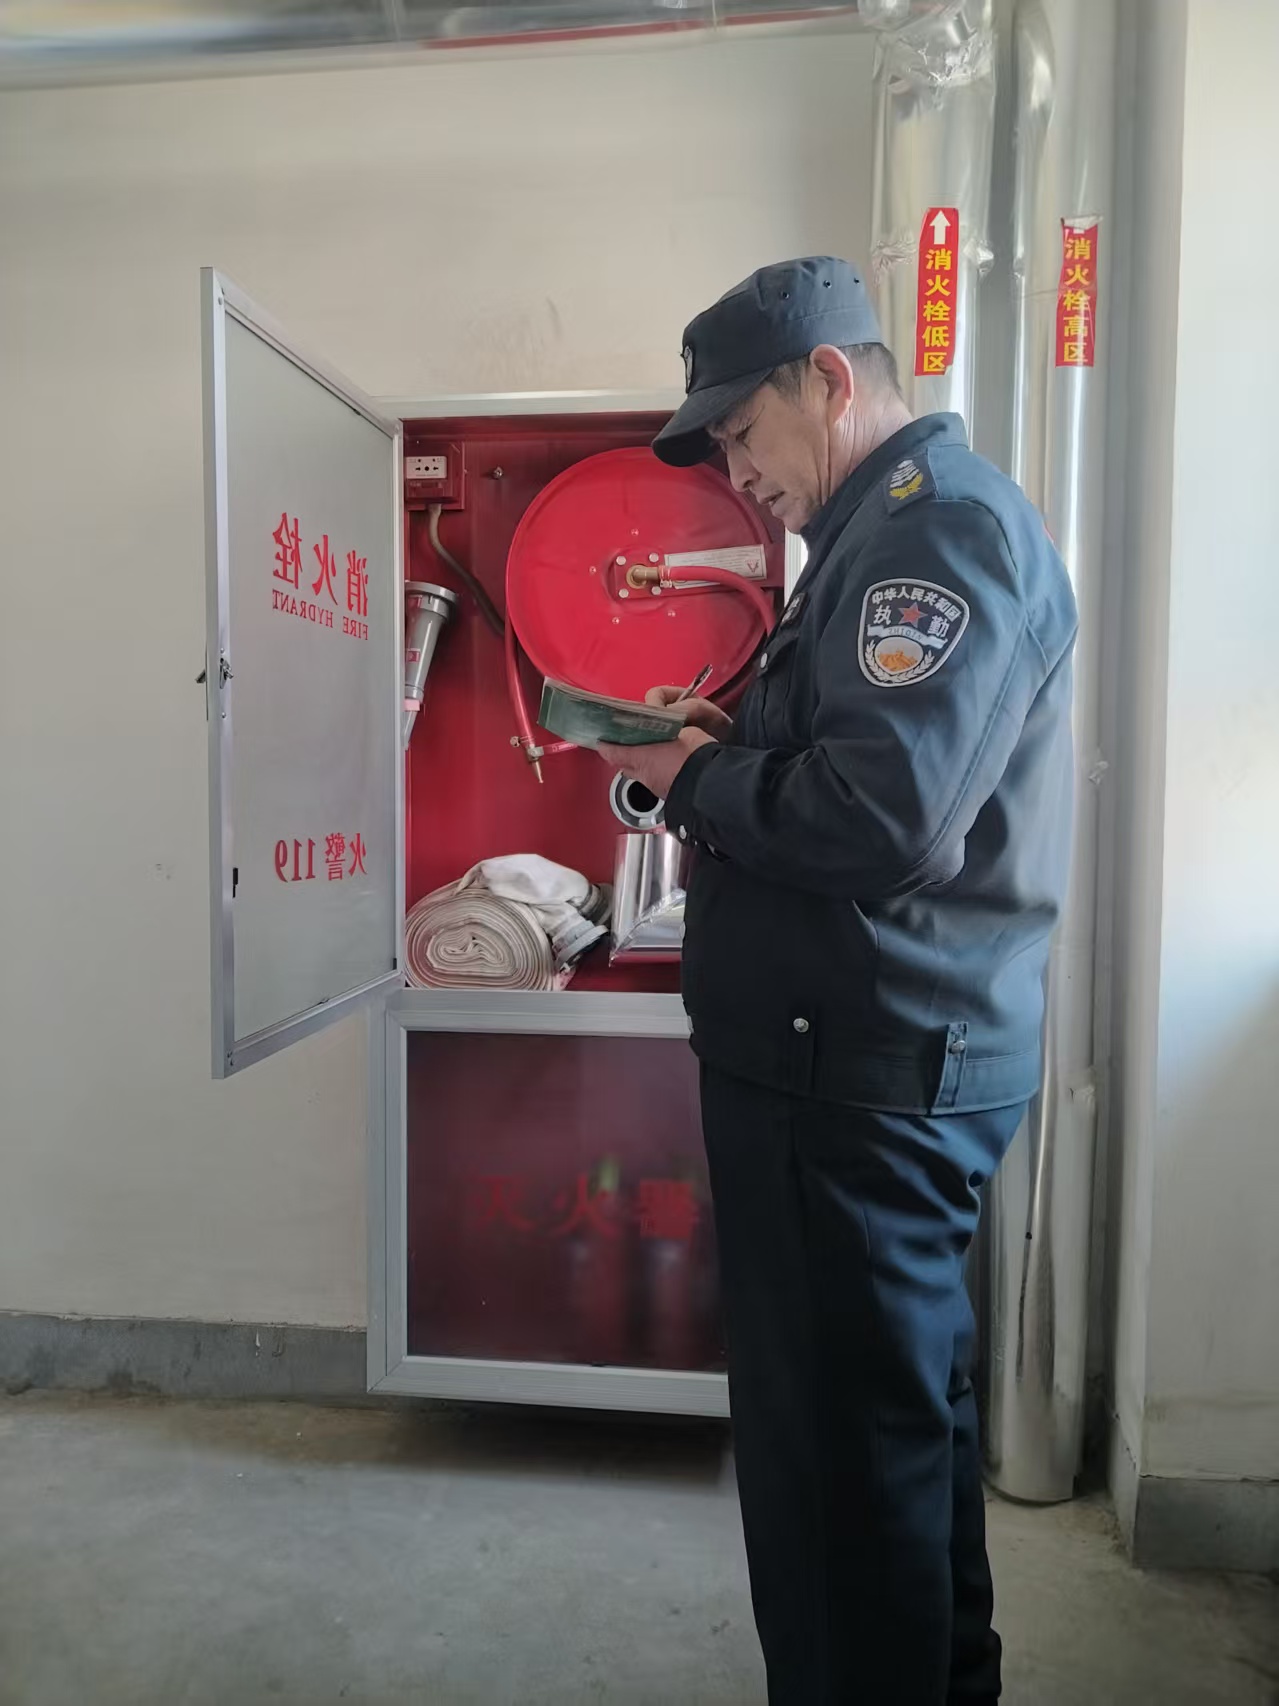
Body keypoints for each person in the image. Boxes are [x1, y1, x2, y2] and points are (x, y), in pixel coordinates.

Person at [598, 256, 1078, 1706]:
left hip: (857, 1085)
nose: (737, 472)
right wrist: (722, 745)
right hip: (859, 1067)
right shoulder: (877, 539)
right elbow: (855, 763)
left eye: (742, 432)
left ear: (829, 381)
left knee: (835, 1477)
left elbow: (884, 819)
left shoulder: (938, 536)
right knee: (894, 1441)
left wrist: (696, 781)